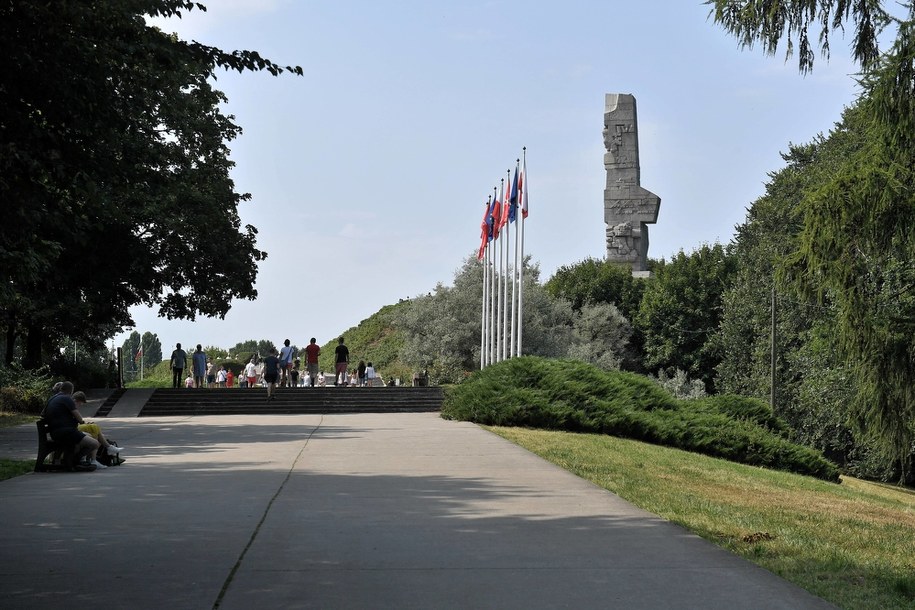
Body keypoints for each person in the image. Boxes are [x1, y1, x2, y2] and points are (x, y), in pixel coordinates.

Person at [43, 381, 102, 470]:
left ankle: (72, 460)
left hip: (55, 432)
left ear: (61, 388)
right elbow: (77, 416)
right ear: (71, 391)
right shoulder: (66, 398)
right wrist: (82, 422)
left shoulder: (52, 399)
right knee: (95, 444)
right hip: (66, 432)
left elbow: (42, 414)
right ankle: (75, 460)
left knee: (88, 436)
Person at [72, 392, 124, 466]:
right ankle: (106, 450)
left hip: (73, 428)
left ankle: (94, 458)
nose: (80, 405)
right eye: (80, 403)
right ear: (75, 400)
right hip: (72, 429)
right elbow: (80, 420)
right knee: (94, 427)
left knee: (94, 430)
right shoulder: (72, 407)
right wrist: (85, 424)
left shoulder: (70, 405)